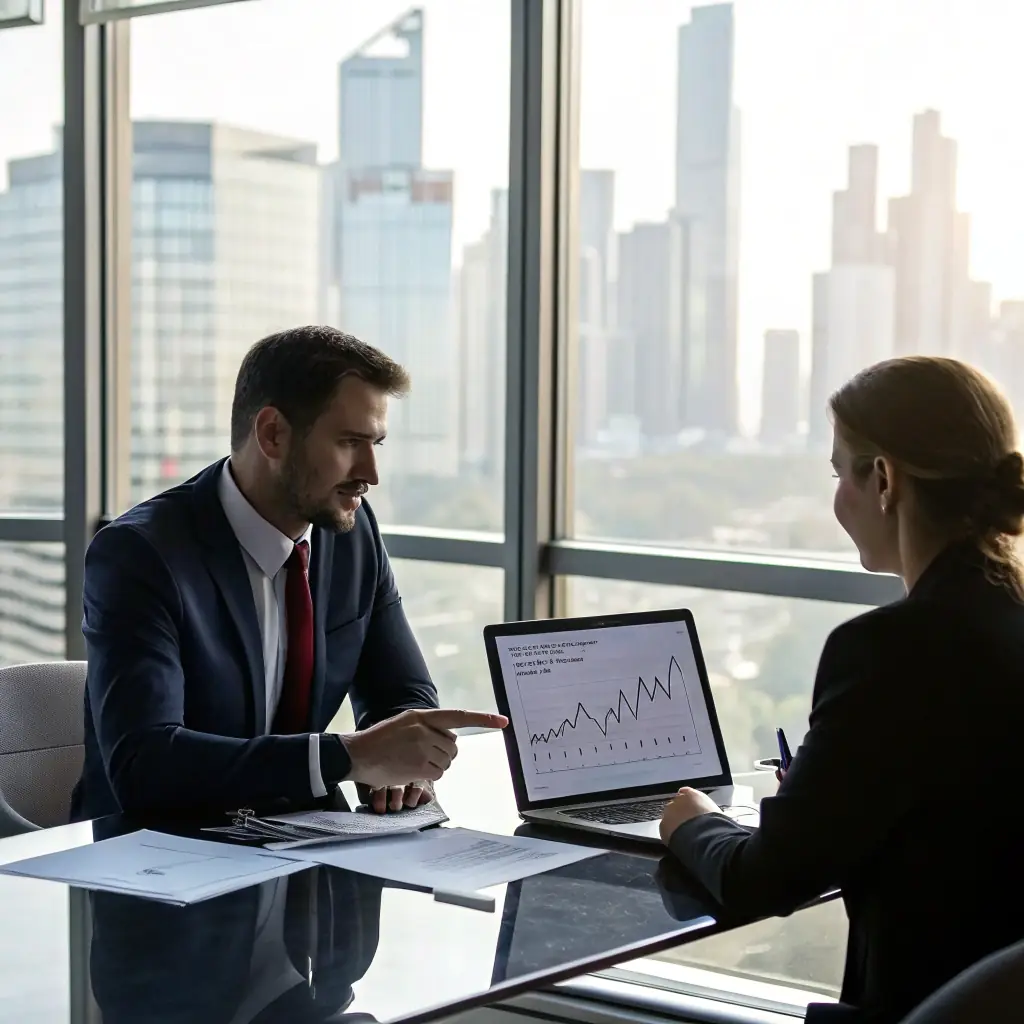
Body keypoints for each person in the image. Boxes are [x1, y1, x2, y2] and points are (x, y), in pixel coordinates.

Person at [659, 356, 1024, 1024]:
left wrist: (692, 825)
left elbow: (763, 881)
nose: (836, 499)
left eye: (839, 473)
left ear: (883, 479)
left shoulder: (888, 651)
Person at [71, 326, 506, 821]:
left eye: (376, 444)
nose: (370, 472)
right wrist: (349, 757)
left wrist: (400, 763)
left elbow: (400, 691)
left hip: (302, 844)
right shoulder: (140, 555)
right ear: (273, 433)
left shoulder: (351, 531)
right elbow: (144, 765)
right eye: (349, 442)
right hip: (154, 860)